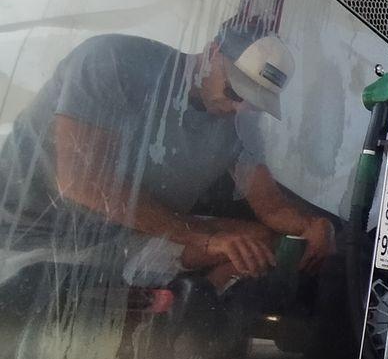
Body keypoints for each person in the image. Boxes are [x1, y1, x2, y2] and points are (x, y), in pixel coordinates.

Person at [0, 24, 334, 291]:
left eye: (253, 102)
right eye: (235, 92)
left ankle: (195, 318)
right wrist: (205, 238)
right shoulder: (113, 62)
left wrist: (312, 225)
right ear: (212, 53)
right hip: (27, 237)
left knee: (259, 244)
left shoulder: (237, 124)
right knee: (229, 244)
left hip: (126, 237)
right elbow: (81, 181)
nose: (238, 108)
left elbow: (270, 206)